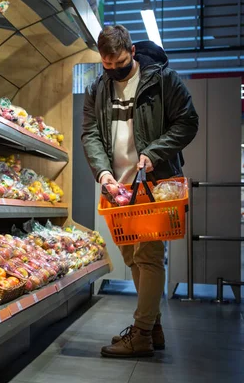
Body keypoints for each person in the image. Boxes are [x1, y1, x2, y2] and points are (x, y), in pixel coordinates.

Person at [81, 25, 199, 358]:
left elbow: (188, 121)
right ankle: (154, 326)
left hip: (154, 183)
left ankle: (142, 332)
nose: (114, 71)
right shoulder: (98, 89)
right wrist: (103, 172)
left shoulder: (163, 80)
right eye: (107, 66)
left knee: (148, 257)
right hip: (116, 188)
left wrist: (155, 152)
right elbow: (90, 134)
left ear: (131, 52)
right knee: (132, 258)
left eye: (118, 63)